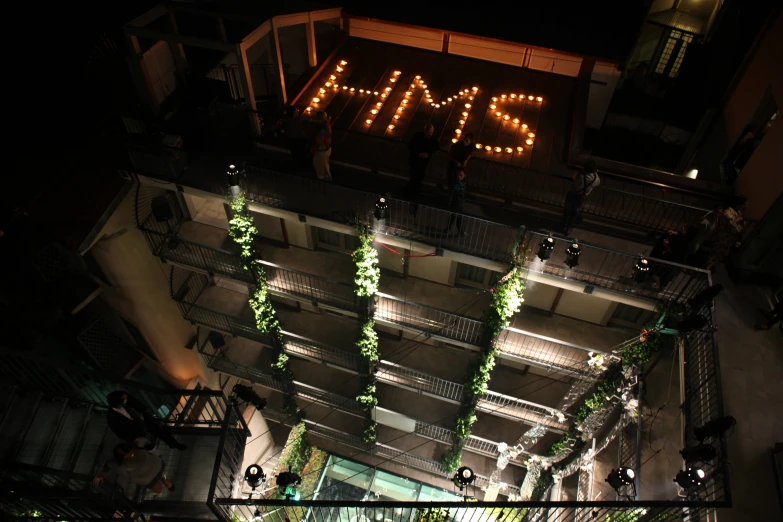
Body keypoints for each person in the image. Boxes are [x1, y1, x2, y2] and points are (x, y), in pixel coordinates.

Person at [107, 391, 187, 451]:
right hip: (137, 431)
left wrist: (146, 414)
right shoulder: (112, 417)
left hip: (145, 420)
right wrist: (133, 438)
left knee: (162, 432)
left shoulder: (128, 401)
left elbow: (139, 406)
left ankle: (174, 444)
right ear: (119, 403)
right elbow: (119, 432)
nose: (127, 399)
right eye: (124, 399)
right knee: (147, 445)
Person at [93, 443, 174, 493]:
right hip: (158, 464)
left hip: (148, 478)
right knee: (158, 485)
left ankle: (163, 480)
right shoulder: (137, 450)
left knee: (158, 489)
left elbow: (109, 464)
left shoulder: (124, 463)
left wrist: (100, 475)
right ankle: (163, 479)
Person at [701, 196, 746, 271]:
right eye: (745, 204)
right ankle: (705, 268)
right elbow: (735, 227)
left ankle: (707, 267)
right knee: (716, 254)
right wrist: (740, 226)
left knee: (719, 255)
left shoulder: (738, 212)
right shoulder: (729, 212)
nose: (746, 206)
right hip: (724, 238)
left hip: (728, 239)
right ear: (739, 204)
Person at [562, 159, 600, 235]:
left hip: (573, 193)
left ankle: (565, 225)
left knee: (567, 209)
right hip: (582, 196)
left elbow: (573, 178)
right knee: (576, 211)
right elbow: (597, 183)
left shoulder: (580, 176)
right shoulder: (596, 179)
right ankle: (570, 227)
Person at [406, 124, 439, 208]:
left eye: (431, 132)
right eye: (429, 132)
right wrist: (418, 154)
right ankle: (412, 194)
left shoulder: (433, 139)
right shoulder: (417, 136)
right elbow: (411, 146)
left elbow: (436, 148)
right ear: (425, 131)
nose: (430, 134)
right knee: (413, 177)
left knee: (418, 178)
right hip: (415, 161)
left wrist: (428, 154)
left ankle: (414, 194)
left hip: (423, 164)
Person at [278, 106, 309, 173]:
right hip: (298, 140)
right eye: (296, 111)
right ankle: (303, 168)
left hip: (294, 140)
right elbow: (309, 119)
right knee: (301, 153)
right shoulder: (298, 119)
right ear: (293, 113)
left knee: (297, 154)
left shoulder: (286, 119)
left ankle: (299, 167)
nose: (298, 111)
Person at [444, 169, 466, 236]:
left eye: (460, 175)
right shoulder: (459, 183)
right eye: (458, 175)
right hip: (457, 203)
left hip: (458, 202)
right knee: (457, 217)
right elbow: (458, 193)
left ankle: (449, 229)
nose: (459, 176)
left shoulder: (460, 183)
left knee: (454, 217)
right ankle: (460, 232)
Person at [311, 111, 332, 181]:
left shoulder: (321, 129)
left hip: (322, 149)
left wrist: (318, 147)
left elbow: (320, 140)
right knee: (320, 162)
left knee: (322, 164)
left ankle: (326, 177)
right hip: (324, 149)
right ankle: (325, 175)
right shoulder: (325, 125)